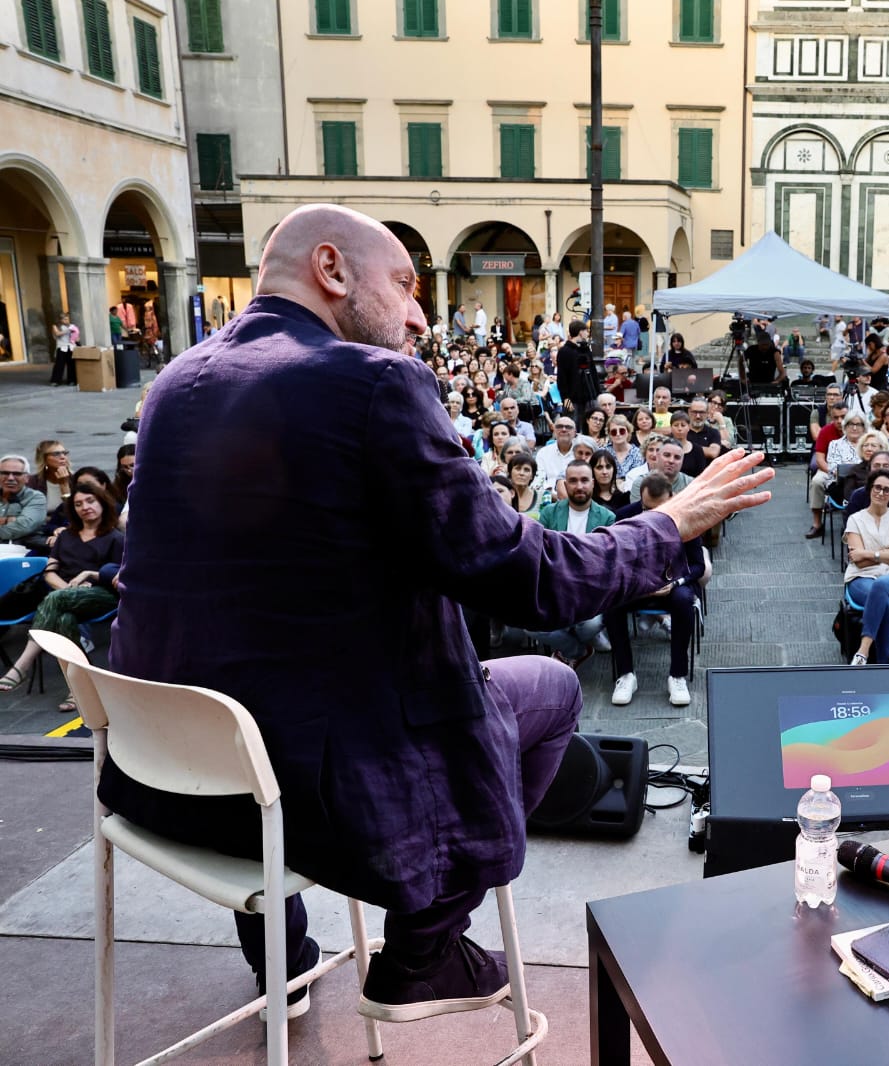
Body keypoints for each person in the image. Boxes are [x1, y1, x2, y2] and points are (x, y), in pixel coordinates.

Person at [91, 203, 773, 1026]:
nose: (420, 316)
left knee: (243, 675)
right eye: (405, 285)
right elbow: (534, 581)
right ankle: (424, 950)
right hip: (317, 796)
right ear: (332, 270)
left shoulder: (177, 382)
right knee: (552, 687)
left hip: (168, 778)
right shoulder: (371, 382)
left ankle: (284, 961)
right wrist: (668, 524)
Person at [0, 483, 124, 706]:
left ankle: (22, 665)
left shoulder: (116, 538)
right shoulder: (66, 536)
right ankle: (80, 688)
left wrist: (88, 576)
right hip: (64, 593)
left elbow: (119, 577)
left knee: (55, 600)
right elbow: (50, 573)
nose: (85, 507)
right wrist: (68, 590)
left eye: (90, 501)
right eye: (78, 504)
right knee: (64, 619)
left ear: (102, 503)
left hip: (102, 596)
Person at [607, 473, 705, 708]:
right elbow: (614, 560)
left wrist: (675, 583)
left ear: (672, 498)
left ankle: (677, 675)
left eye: (658, 509)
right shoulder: (625, 516)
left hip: (673, 584)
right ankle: (626, 674)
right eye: (646, 508)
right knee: (611, 601)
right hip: (636, 585)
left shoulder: (687, 517)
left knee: (683, 600)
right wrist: (639, 584)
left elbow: (698, 565)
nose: (651, 515)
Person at [525, 461, 615, 666]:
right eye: (573, 481)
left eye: (584, 480)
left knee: (592, 625)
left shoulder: (607, 517)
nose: (579, 486)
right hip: (556, 587)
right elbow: (539, 551)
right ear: (565, 485)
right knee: (529, 626)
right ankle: (577, 649)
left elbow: (608, 561)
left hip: (591, 590)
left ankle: (576, 640)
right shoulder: (549, 513)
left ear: (593, 483)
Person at [843, 469, 889, 665]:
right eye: (877, 487)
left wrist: (870, 553)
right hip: (862, 578)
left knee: (882, 584)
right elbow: (859, 561)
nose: (881, 493)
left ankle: (863, 651)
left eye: (886, 490)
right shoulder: (855, 519)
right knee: (888, 604)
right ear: (869, 489)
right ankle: (883, 664)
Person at [807, 411, 866, 538]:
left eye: (858, 424)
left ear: (864, 427)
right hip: (840, 483)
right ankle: (820, 524)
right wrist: (859, 470)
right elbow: (834, 468)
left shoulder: (869, 444)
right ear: (845, 426)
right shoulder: (835, 444)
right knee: (818, 481)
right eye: (850, 424)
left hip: (864, 482)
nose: (854, 428)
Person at [0, 454, 48, 552]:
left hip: (22, 551)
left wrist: (5, 521)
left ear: (27, 478)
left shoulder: (35, 497)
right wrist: (10, 520)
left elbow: (23, 527)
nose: (10, 478)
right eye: (5, 473)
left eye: (17, 474)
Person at [556, 319, 600, 415]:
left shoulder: (585, 350)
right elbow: (562, 377)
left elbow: (593, 373)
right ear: (580, 332)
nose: (587, 333)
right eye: (586, 331)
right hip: (573, 398)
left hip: (589, 396)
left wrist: (597, 394)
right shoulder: (565, 351)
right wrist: (565, 398)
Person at [49, 312, 77, 386]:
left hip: (70, 346)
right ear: (60, 320)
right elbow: (57, 334)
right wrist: (68, 330)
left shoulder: (71, 326)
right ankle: (55, 380)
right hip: (61, 347)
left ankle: (71, 380)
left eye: (67, 319)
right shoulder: (55, 326)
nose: (66, 321)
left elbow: (76, 336)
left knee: (71, 364)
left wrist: (75, 334)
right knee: (59, 364)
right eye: (65, 319)